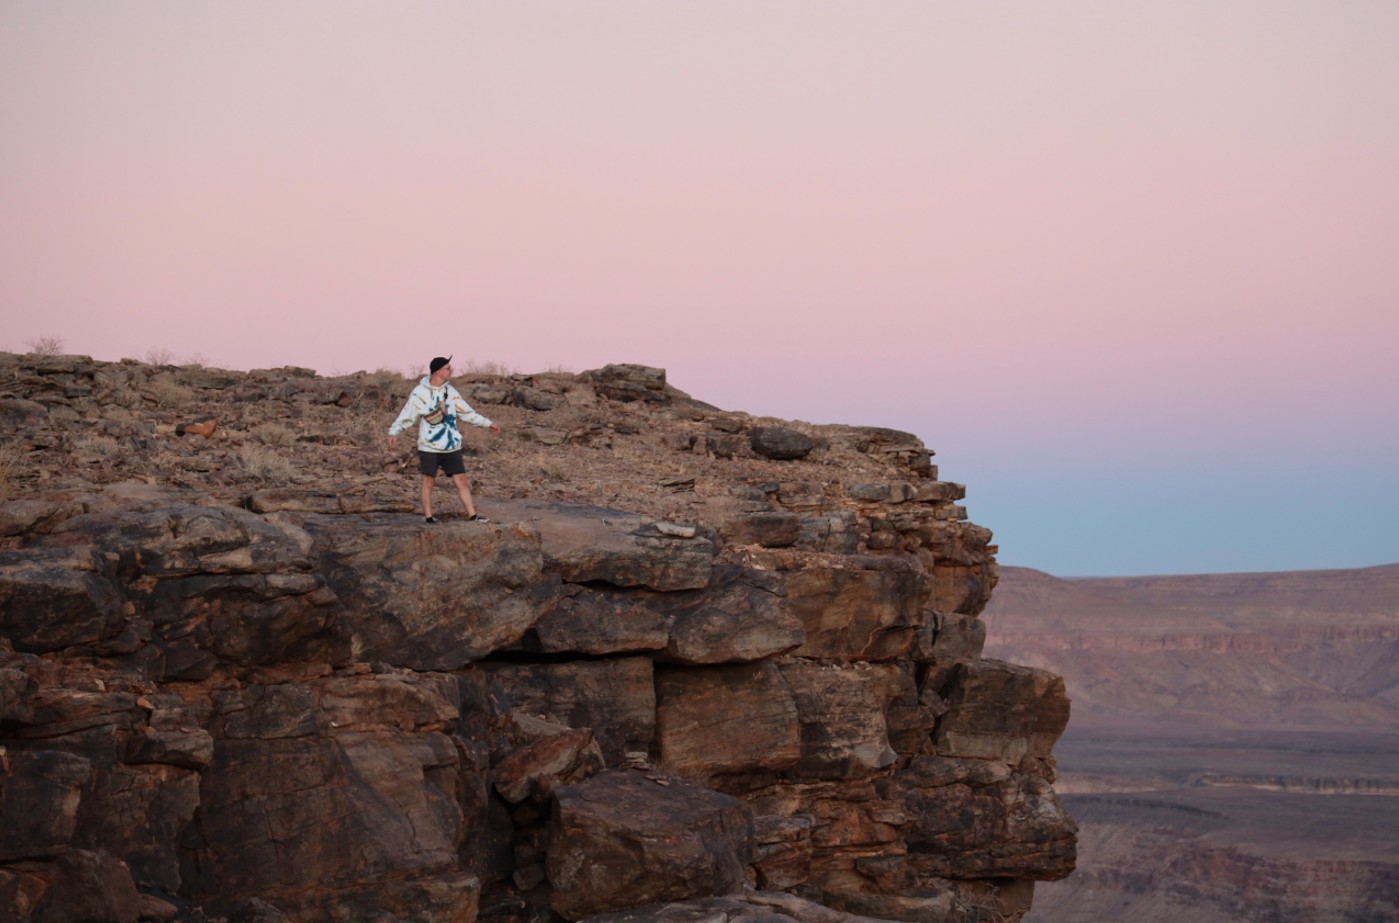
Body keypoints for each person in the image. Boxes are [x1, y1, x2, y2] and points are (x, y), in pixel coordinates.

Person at [388, 356, 501, 524]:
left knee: (461, 480)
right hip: (429, 446)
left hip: (451, 446)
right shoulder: (420, 393)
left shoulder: (451, 392)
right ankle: (428, 518)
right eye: (448, 368)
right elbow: (407, 416)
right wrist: (394, 432)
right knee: (429, 481)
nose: (451, 371)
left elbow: (467, 413)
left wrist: (488, 424)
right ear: (438, 371)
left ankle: (473, 516)